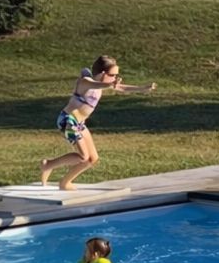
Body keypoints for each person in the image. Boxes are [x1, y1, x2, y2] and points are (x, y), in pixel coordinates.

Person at [40, 55, 157, 191]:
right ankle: (48, 165)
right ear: (102, 74)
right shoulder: (85, 82)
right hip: (68, 121)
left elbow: (121, 88)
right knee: (83, 156)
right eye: (113, 75)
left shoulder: (102, 84)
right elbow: (97, 84)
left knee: (92, 159)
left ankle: (64, 182)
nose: (115, 78)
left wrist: (143, 88)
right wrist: (109, 84)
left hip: (79, 123)